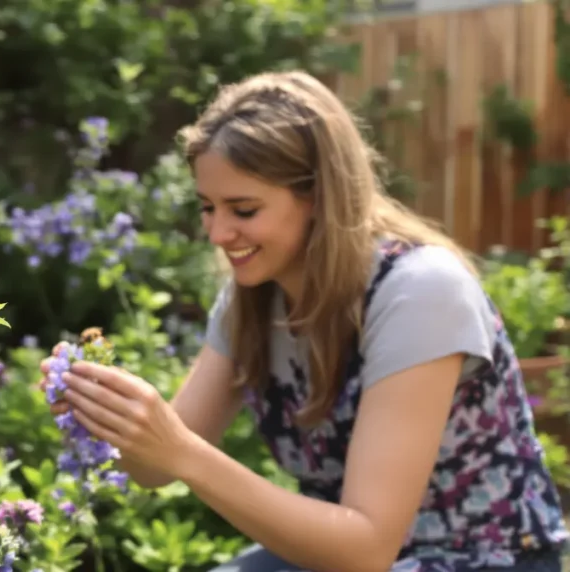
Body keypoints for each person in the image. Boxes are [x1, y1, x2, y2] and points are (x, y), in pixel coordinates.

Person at [39, 70, 568, 571]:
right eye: (207, 207)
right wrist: (112, 419)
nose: (218, 233)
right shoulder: (253, 298)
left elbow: (366, 549)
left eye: (243, 210)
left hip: (482, 557)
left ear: (319, 197)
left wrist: (182, 451)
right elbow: (156, 469)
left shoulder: (420, 293)